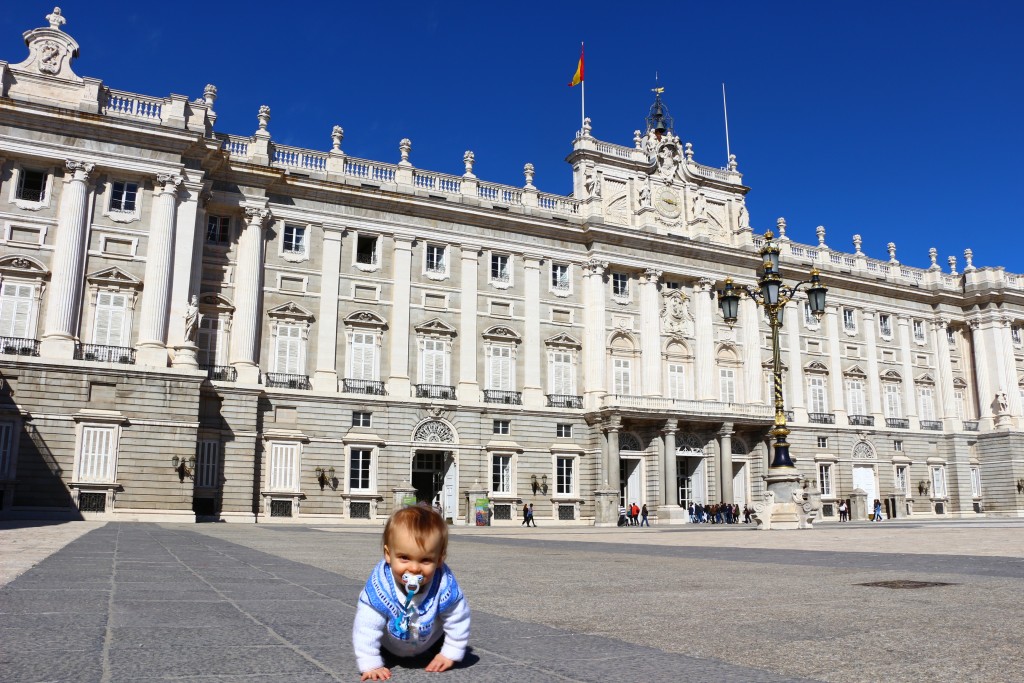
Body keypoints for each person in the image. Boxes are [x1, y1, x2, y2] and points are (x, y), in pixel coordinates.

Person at [353, 505, 470, 681]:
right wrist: (370, 663)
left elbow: (458, 618)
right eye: (404, 557)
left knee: (447, 627)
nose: (414, 568)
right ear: (388, 554)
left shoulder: (443, 585)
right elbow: (366, 626)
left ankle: (440, 649)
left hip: (430, 637)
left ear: (439, 559)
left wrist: (450, 652)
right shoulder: (380, 588)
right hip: (390, 642)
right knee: (375, 628)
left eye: (425, 560)